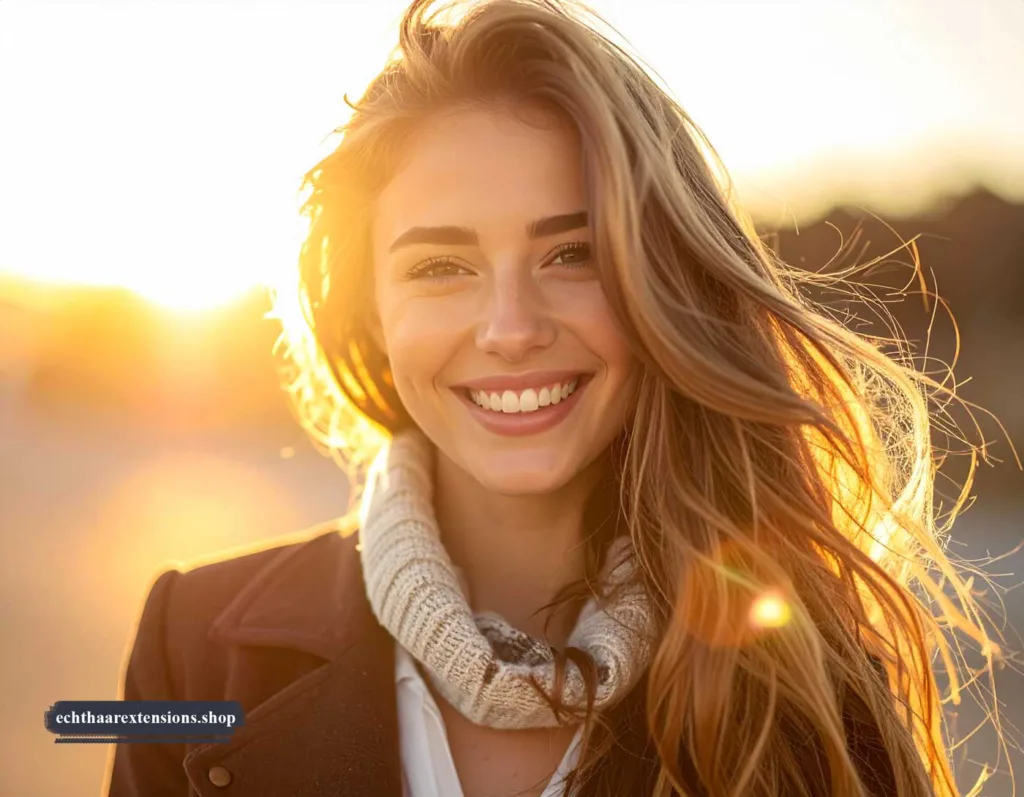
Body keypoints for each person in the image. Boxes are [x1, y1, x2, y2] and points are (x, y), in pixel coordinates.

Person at [105, 0, 1000, 795]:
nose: (510, 326)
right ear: (370, 314)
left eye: (573, 253)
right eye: (441, 266)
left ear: (667, 285)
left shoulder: (816, 676)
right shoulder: (192, 645)